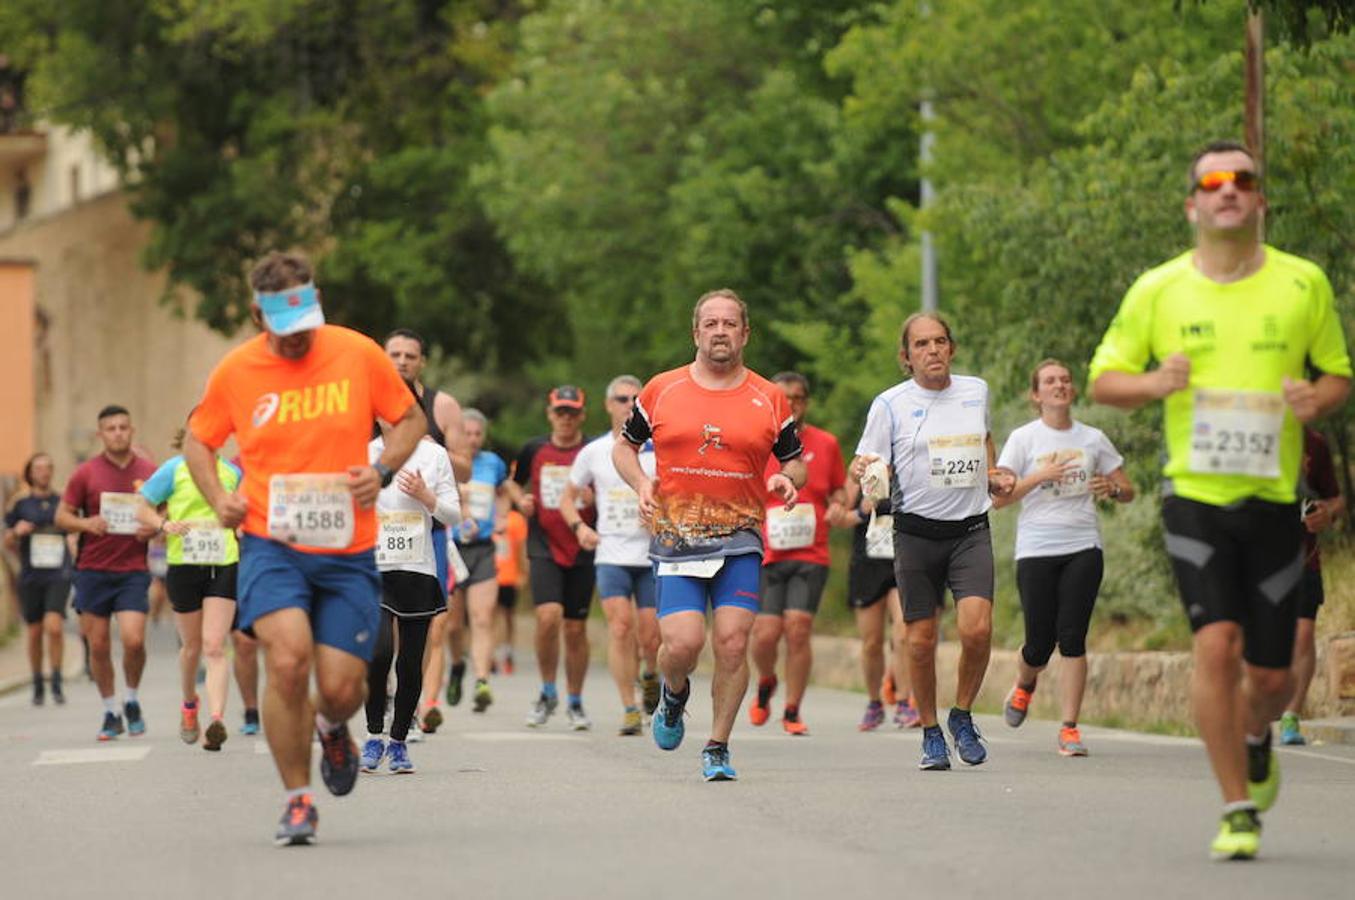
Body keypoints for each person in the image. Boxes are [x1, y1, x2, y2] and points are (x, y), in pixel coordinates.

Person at [1088, 140, 1351, 860]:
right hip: (1195, 496)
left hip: (1273, 500)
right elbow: (1104, 379)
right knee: (1215, 644)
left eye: (1242, 179)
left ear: (1259, 199)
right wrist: (1154, 382)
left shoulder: (1302, 283)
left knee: (1269, 677)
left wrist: (1316, 398)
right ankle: (1236, 807)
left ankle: (1256, 732)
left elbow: (1337, 375)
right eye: (1213, 182)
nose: (1228, 189)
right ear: (1192, 205)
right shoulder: (1158, 289)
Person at [184, 251, 424, 846]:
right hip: (273, 545)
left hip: (347, 550)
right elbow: (198, 441)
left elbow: (410, 420)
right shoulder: (237, 371)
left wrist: (382, 470)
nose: (298, 339)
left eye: (305, 324)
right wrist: (219, 497)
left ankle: (331, 726)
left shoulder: (357, 353)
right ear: (258, 316)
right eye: (284, 329)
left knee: (342, 689)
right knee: (288, 662)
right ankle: (297, 799)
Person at [614, 289, 805, 781]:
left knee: (734, 643)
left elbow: (794, 461)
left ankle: (717, 746)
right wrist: (641, 483)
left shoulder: (769, 397)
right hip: (678, 538)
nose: (721, 331)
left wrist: (788, 479)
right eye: (711, 323)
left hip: (740, 538)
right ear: (696, 332)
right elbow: (624, 448)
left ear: (745, 333)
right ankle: (673, 693)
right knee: (682, 645)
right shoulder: (662, 389)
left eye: (730, 323)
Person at [850, 312, 1015, 771]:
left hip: (970, 531)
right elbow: (867, 460)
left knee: (977, 630)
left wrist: (992, 474)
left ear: (952, 348)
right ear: (906, 356)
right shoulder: (889, 404)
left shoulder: (976, 390)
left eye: (940, 341)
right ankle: (930, 732)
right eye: (921, 344)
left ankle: (961, 714)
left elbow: (984, 440)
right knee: (919, 641)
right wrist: (864, 472)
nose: (933, 350)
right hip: (916, 534)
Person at [992, 359, 1134, 756]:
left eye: (1065, 380)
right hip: (1036, 548)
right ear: (1036, 394)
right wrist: (1040, 476)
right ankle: (1025, 684)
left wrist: (1113, 489)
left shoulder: (1093, 438)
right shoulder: (1023, 439)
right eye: (1050, 381)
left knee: (1072, 637)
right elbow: (999, 499)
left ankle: (1070, 727)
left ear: (1072, 390)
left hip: (1083, 545)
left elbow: (1127, 489)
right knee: (1039, 644)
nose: (1059, 385)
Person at [361, 391, 461, 775]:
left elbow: (453, 514)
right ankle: (373, 734)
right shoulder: (365, 452)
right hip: (374, 566)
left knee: (410, 662)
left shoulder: (433, 455)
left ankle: (399, 741)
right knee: (379, 652)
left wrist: (426, 497)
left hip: (417, 567)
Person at [136, 428, 249, 751]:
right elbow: (141, 506)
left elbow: (247, 509)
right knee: (191, 647)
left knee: (215, 645)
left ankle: (216, 720)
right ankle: (189, 704)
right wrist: (163, 524)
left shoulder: (231, 472)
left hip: (224, 563)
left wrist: (242, 527)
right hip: (183, 564)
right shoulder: (174, 469)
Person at [561, 375, 661, 735]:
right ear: (608, 405)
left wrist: (661, 515)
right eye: (621, 399)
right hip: (611, 554)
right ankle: (629, 708)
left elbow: (679, 495)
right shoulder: (594, 451)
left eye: (636, 399)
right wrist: (580, 528)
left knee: (651, 636)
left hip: (652, 555)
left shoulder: (659, 450)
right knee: (620, 628)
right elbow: (566, 498)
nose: (629, 405)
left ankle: (651, 674)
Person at [748, 372, 847, 735]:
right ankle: (767, 679)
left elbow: (839, 490)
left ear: (807, 402)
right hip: (766, 552)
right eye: (783, 397)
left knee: (798, 629)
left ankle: (792, 709)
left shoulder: (826, 443)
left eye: (798, 398)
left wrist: (839, 505)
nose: (790, 404)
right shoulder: (754, 442)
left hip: (811, 552)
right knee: (764, 634)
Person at [383, 328, 471, 734]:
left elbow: (465, 467)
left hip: (426, 531)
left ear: (422, 362)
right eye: (395, 354)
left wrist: (425, 449)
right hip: (377, 534)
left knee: (427, 626)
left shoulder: (443, 406)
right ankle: (385, 696)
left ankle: (413, 704)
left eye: (410, 355)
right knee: (382, 626)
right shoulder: (367, 405)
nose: (402, 361)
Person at [55, 406, 159, 740]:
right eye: (111, 428)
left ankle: (132, 698)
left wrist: (154, 528)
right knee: (98, 645)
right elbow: (62, 516)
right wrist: (87, 523)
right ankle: (111, 710)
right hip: (93, 570)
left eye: (123, 427)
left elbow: (166, 511)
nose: (118, 433)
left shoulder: (149, 472)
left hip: (132, 570)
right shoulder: (86, 473)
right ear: (100, 435)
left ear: (132, 430)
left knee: (134, 640)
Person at [508, 386, 597, 729]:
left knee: (574, 628)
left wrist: (594, 499)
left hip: (582, 545)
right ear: (550, 414)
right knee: (548, 616)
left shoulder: (593, 451)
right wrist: (521, 500)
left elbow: (612, 490)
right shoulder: (534, 448)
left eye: (572, 412)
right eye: (560, 412)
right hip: (543, 544)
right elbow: (512, 483)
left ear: (582, 415)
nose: (565, 419)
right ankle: (547, 691)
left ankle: (575, 700)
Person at [836, 480, 917, 731]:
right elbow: (839, 518)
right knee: (871, 643)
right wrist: (861, 511)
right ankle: (874, 702)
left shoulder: (909, 465)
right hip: (868, 564)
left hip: (903, 561)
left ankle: (904, 702)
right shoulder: (860, 471)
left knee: (903, 632)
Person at [1281, 428, 1344, 745]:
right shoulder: (1244, 432)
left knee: (1304, 634)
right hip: (1254, 559)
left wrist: (1327, 513)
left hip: (1304, 556)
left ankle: (1291, 717)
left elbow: (1335, 498)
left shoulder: (1314, 442)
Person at [451, 408, 510, 713]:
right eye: (467, 434)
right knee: (452, 624)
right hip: (451, 550)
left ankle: (482, 680)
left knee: (483, 618)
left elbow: (503, 492)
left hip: (483, 548)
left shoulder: (493, 463)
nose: (472, 439)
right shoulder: (445, 460)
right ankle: (457, 665)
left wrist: (502, 516)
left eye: (477, 434)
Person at [4, 453, 72, 706]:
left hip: (59, 573)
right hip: (31, 575)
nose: (44, 472)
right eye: (39, 468)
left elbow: (73, 530)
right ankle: (37, 681)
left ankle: (56, 679)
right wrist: (16, 532)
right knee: (34, 632)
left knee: (54, 627)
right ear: (30, 473)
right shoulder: (20, 504)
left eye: (48, 467)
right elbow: (6, 540)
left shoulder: (63, 501)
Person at [493, 502, 529, 674]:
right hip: (490, 576)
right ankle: (491, 655)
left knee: (508, 616)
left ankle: (508, 653)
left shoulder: (516, 520)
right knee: (490, 617)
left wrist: (523, 573)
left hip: (510, 576)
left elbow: (522, 549)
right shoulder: (486, 517)